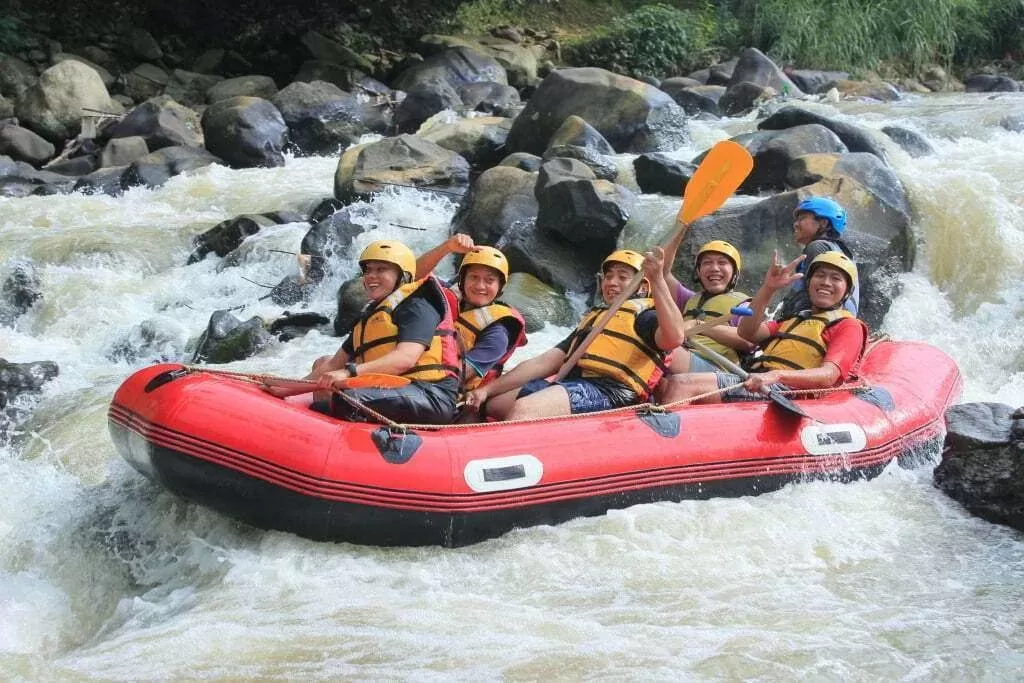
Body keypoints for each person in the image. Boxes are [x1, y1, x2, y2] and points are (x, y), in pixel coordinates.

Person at [463, 248, 686, 420]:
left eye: (623, 277)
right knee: (492, 404)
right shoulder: (595, 320)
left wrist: (657, 279)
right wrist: (487, 389)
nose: (612, 282)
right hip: (574, 385)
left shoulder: (646, 316)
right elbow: (543, 362)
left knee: (526, 408)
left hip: (610, 393)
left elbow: (675, 338)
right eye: (609, 276)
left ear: (642, 287)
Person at [660, 251, 868, 404]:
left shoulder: (848, 325)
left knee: (681, 384)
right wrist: (768, 288)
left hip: (785, 392)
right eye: (820, 275)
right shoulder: (792, 320)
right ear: (809, 282)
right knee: (664, 385)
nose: (826, 282)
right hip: (757, 382)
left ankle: (665, 452)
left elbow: (828, 375)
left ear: (847, 291)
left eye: (836, 278)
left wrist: (776, 375)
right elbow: (747, 332)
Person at [306, 239, 461, 424]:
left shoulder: (418, 306)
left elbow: (405, 358)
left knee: (348, 398)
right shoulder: (370, 317)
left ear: (402, 276)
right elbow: (333, 365)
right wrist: (281, 388)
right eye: (368, 270)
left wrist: (349, 373)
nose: (371, 275)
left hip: (431, 394)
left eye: (381, 269)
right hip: (392, 389)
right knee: (327, 377)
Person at [415, 235, 527, 393]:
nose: (480, 286)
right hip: (416, 368)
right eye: (474, 277)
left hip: (444, 393)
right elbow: (411, 276)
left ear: (500, 287)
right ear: (462, 280)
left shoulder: (498, 333)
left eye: (489, 280)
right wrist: (446, 247)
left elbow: (456, 376)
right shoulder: (447, 295)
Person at [661, 238, 756, 375]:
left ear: (734, 273)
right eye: (707, 263)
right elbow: (662, 272)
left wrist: (699, 325)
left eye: (722, 262)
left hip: (717, 368)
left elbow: (749, 341)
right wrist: (682, 227)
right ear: (699, 272)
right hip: (683, 357)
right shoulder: (688, 299)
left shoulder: (744, 305)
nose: (714, 268)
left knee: (659, 346)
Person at [777, 196, 860, 319]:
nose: (795, 224)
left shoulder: (818, 247)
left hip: (816, 325)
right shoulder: (838, 249)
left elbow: (817, 296)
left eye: (802, 218)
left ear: (823, 223)